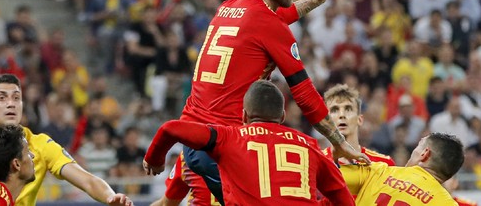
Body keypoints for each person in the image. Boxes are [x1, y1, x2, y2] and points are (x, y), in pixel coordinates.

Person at [175, 0, 369, 204]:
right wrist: (340, 142)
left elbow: (276, 19)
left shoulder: (228, 7)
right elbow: (304, 95)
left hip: (197, 138)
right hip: (225, 144)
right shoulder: (268, 25)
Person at [143, 80, 355, 206]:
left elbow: (171, 129)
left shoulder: (226, 139)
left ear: (243, 115)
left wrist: (154, 159)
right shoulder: (309, 145)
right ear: (282, 116)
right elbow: (342, 196)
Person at [0, 74, 132, 206]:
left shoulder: (39, 144)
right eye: (2, 98)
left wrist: (110, 196)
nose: (11, 104)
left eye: (16, 98)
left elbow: (87, 180)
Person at [330, 133, 464, 206]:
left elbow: (325, 174)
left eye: (418, 146)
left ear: (425, 154)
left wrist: (334, 154)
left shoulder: (378, 171)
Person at [323, 84, 395, 166]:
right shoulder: (316, 162)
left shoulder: (383, 163)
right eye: (335, 110)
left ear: (360, 120)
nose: (342, 115)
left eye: (348, 109)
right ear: (326, 122)